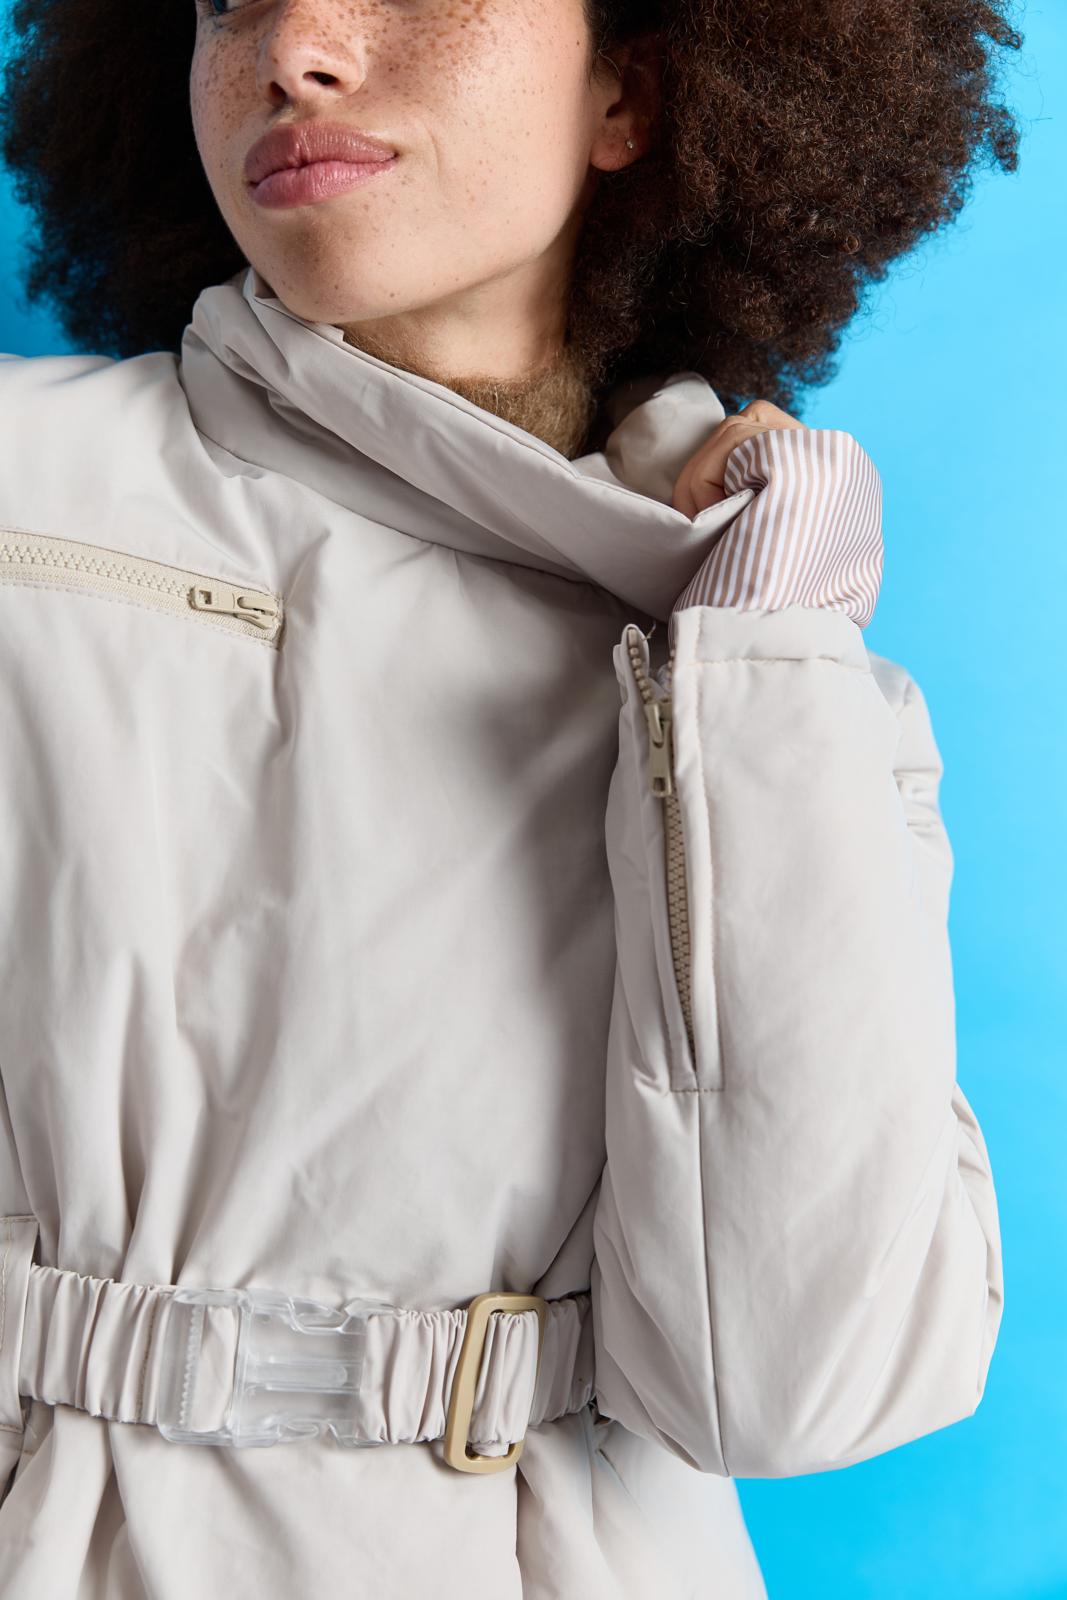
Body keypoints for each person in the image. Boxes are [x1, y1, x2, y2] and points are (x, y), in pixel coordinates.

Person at [0, 0, 1019, 1594]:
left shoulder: (777, 667)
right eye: (225, 0)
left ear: (631, 95)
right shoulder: (27, 492)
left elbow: (793, 1387)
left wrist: (765, 659)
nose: (294, 47)